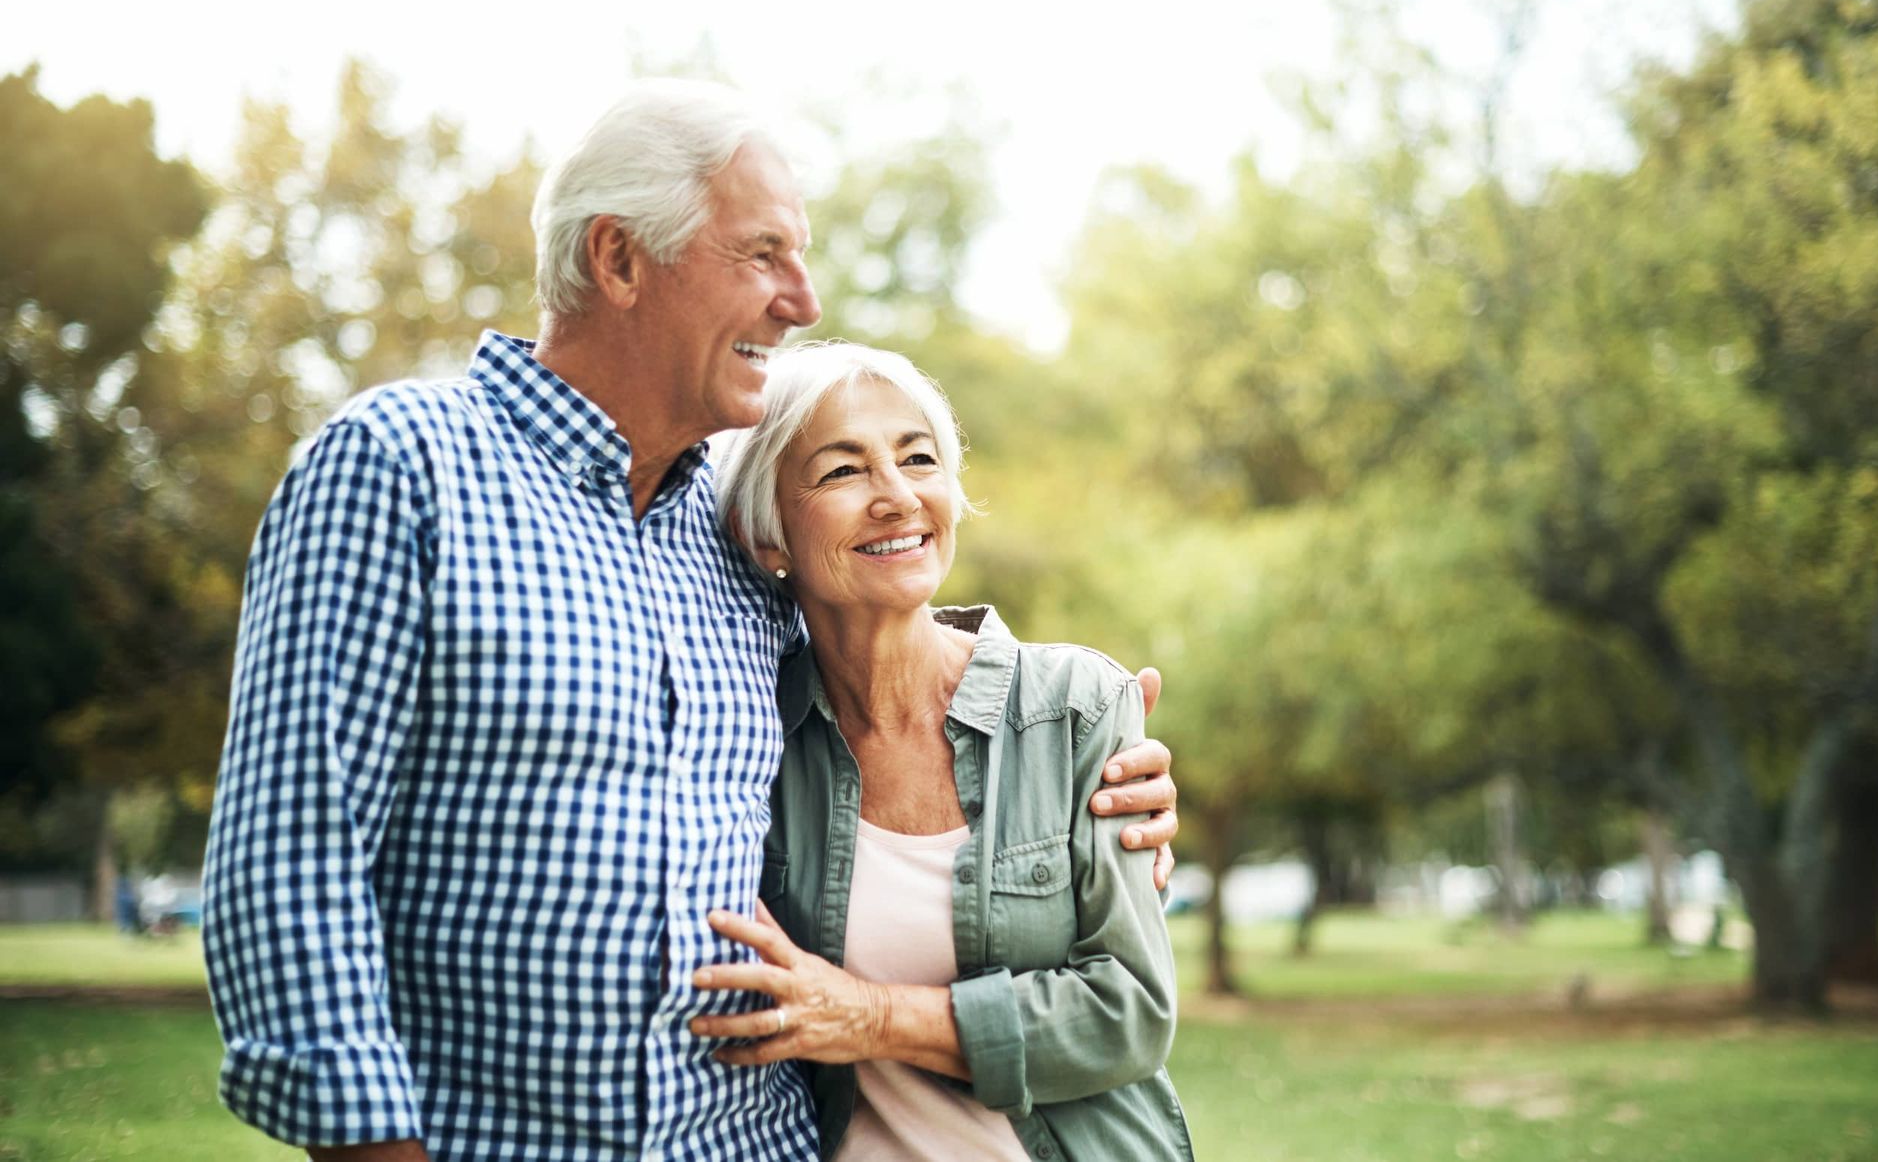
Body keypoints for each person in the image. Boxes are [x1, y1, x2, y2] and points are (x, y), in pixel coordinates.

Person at [202, 79, 1179, 1162]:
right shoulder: (402, 465)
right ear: (619, 259)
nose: (802, 300)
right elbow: (293, 862)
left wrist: (1077, 764)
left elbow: (888, 670)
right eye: (761, 255)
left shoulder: (722, 520)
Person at [693, 342, 1192, 1161]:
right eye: (843, 471)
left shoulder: (1076, 706)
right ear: (766, 532)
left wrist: (869, 1015)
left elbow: (1128, 1013)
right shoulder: (748, 733)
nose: (897, 497)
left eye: (919, 459)